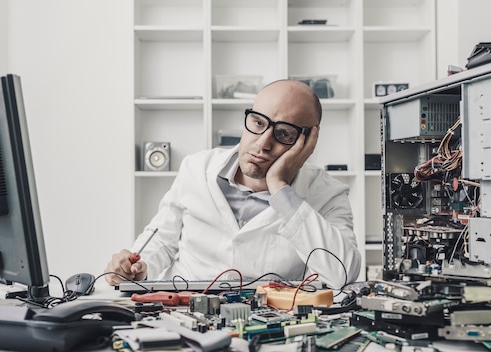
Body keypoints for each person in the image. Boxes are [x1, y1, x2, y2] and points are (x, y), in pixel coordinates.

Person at [104, 79, 361, 288]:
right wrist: (137, 267)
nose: (263, 143)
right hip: (183, 311)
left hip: (269, 323)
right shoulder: (195, 168)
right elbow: (161, 241)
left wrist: (280, 188)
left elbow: (341, 273)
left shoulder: (328, 194)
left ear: (308, 142)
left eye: (284, 133)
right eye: (258, 122)